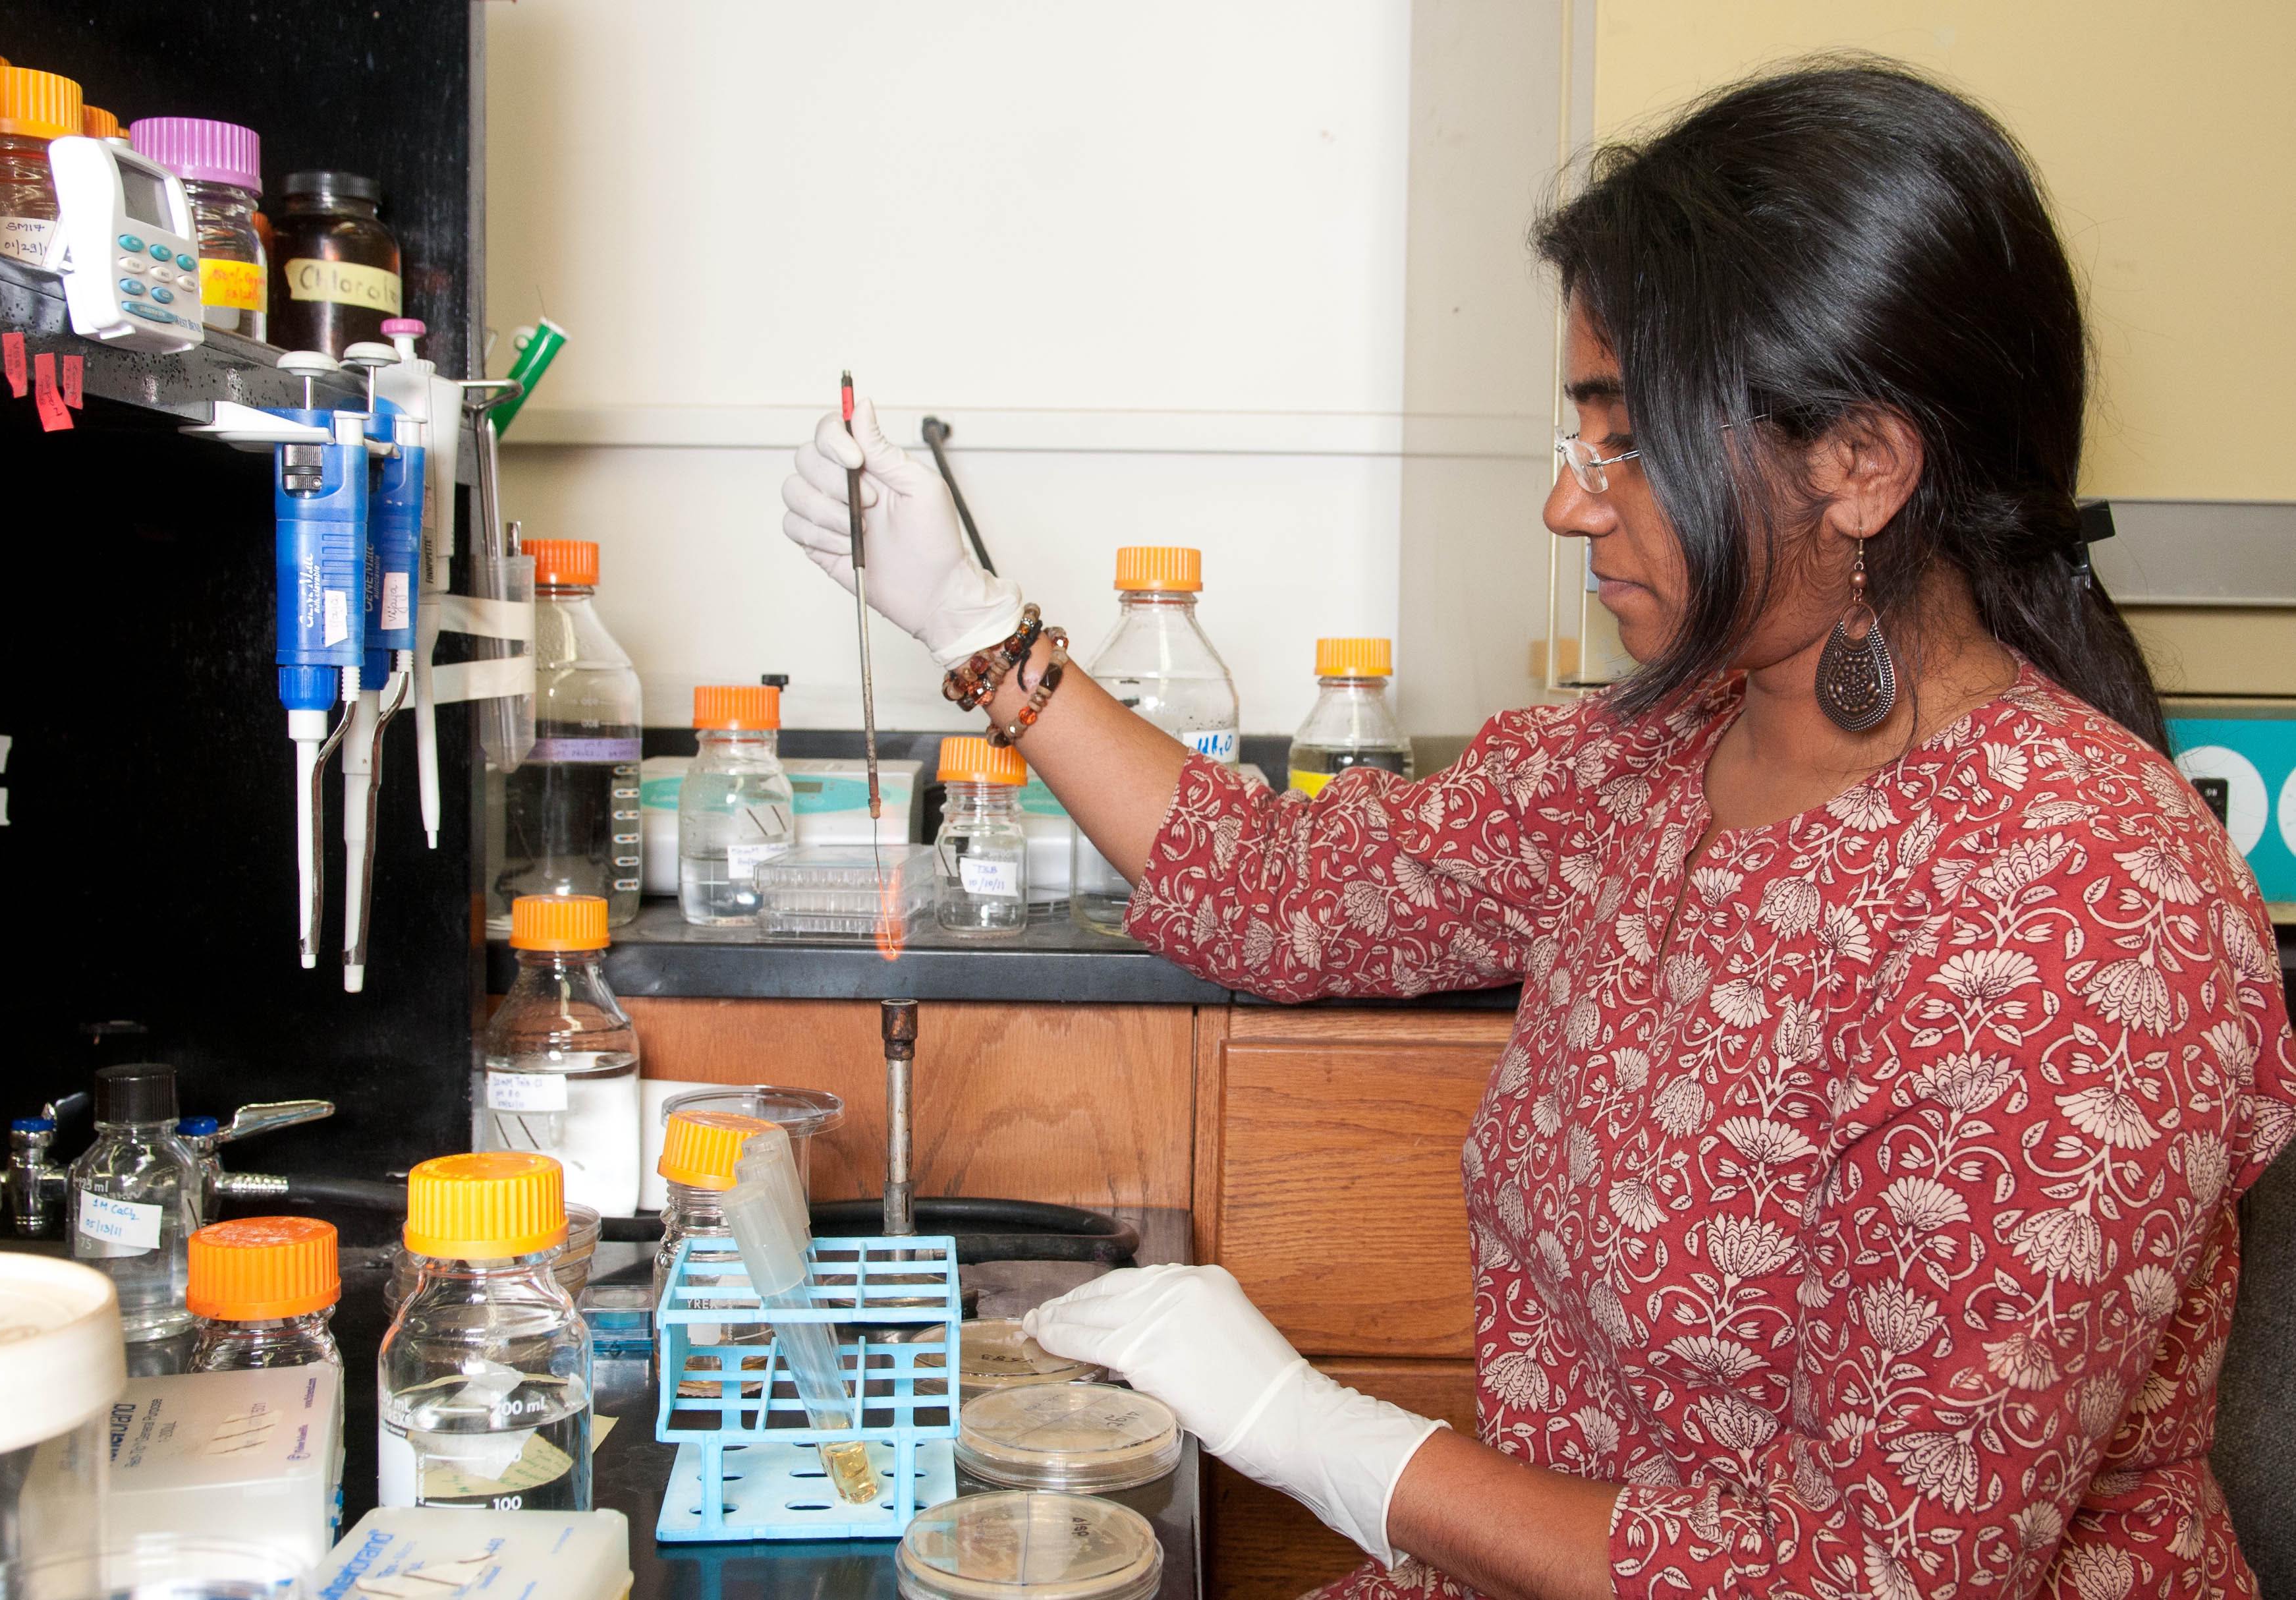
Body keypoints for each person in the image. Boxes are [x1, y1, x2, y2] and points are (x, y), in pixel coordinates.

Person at [782, 60, 2295, 1600]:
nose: (1572, 508)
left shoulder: (2078, 903)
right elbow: (1278, 890)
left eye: (1622, 441)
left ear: (1862, 466)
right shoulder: (1639, 762)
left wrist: (1318, 1432)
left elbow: (1874, 1576)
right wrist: (974, 622)